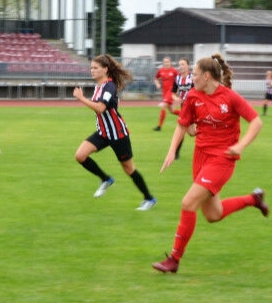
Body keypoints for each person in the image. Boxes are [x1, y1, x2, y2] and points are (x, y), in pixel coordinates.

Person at [152, 53, 268, 274]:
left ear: (206, 76)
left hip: (222, 160)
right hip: (200, 158)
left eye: (194, 74)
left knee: (188, 203)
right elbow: (183, 125)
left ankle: (174, 259)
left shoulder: (230, 97)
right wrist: (171, 151)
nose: (191, 78)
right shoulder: (192, 96)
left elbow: (256, 122)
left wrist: (240, 146)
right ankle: (254, 199)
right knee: (213, 215)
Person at [73, 54, 157, 211]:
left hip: (118, 134)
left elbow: (100, 108)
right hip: (103, 133)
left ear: (105, 69)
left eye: (95, 68)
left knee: (128, 168)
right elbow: (110, 103)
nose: (92, 70)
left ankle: (149, 199)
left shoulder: (109, 86)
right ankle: (106, 179)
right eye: (91, 68)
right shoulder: (99, 87)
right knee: (80, 155)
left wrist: (81, 98)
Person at [170, 58, 195, 160]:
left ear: (188, 66)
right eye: (179, 64)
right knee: (185, 130)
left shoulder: (193, 77)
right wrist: (176, 98)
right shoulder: (177, 78)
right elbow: (172, 92)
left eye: (183, 64)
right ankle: (175, 153)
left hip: (193, 107)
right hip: (184, 107)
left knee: (190, 132)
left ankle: (175, 153)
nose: (181, 66)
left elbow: (199, 90)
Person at [152, 56, 179, 131]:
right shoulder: (161, 70)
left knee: (163, 106)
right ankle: (185, 114)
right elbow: (156, 78)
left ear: (170, 63)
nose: (166, 63)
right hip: (164, 92)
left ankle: (159, 126)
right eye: (165, 62)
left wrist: (177, 90)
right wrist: (157, 84)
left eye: (167, 62)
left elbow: (179, 79)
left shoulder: (174, 71)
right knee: (172, 111)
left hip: (171, 92)